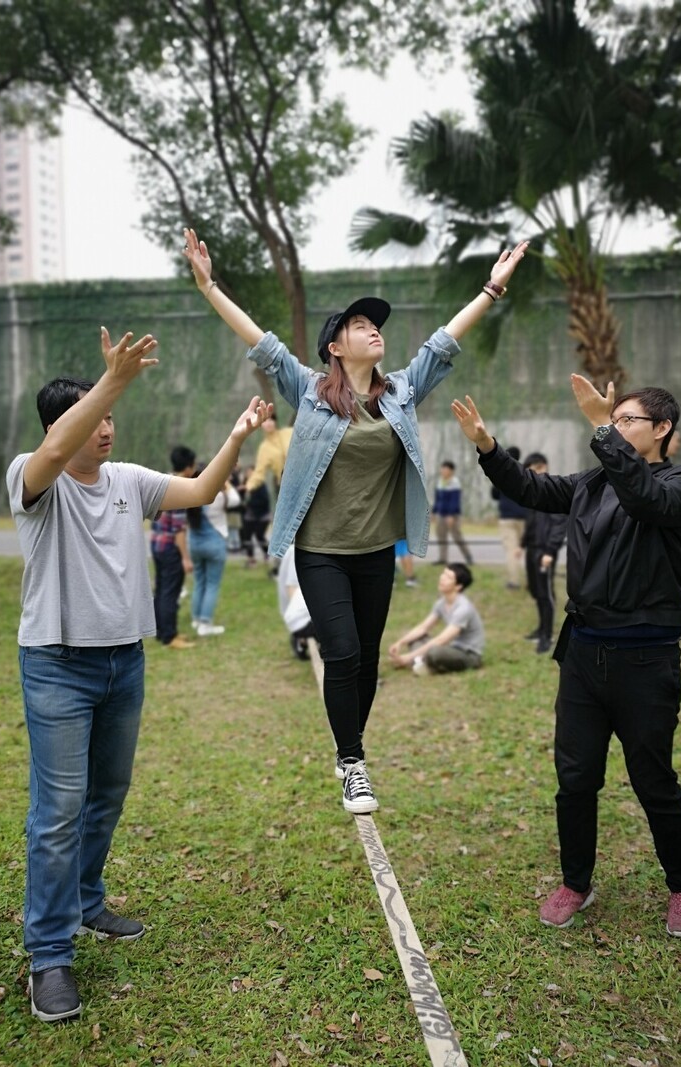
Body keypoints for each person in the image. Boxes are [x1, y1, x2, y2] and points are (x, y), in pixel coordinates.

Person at [183, 226, 528, 814]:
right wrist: (210, 286)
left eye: (378, 324)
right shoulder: (310, 390)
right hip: (320, 550)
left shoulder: (399, 393)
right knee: (340, 651)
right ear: (336, 347)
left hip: (376, 552)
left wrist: (491, 290)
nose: (375, 329)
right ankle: (351, 763)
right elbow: (259, 341)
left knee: (366, 659)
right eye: (360, 325)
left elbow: (444, 342)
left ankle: (353, 749)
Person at [6, 327, 271, 1023]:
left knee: (107, 795)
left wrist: (238, 436)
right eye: (96, 415)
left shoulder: (129, 480)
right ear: (68, 423)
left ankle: (87, 902)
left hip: (125, 660)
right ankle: (49, 953)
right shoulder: (31, 478)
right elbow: (56, 451)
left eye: (112, 416)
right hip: (57, 665)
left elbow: (203, 488)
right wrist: (113, 382)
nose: (107, 428)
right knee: (57, 811)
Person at [451, 377, 681, 938]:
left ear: (662, 429)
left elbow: (645, 498)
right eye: (614, 422)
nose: (615, 430)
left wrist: (598, 426)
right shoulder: (594, 482)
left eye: (626, 421)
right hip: (585, 655)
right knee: (575, 778)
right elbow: (536, 490)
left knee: (653, 780)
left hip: (646, 661)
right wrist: (489, 448)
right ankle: (576, 881)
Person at [388, 563, 484, 675]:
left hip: (468, 654)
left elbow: (442, 640)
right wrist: (400, 642)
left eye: (448, 577)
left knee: (434, 652)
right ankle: (421, 663)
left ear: (458, 586)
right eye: (443, 574)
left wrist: (408, 657)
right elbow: (423, 628)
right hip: (451, 648)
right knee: (415, 638)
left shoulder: (463, 608)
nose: (442, 578)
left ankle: (420, 663)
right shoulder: (442, 603)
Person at [520, 452, 568, 655]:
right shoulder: (536, 492)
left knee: (546, 593)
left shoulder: (554, 491)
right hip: (532, 549)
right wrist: (522, 544)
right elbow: (532, 521)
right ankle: (540, 629)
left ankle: (547, 637)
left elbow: (559, 524)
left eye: (532, 470)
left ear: (542, 467)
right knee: (536, 591)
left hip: (545, 551)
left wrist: (550, 550)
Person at [150, 444, 196, 650]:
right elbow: (179, 530)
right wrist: (185, 558)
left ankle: (161, 631)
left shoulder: (162, 481)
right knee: (171, 591)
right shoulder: (180, 487)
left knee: (161, 589)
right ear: (188, 467)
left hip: (156, 543)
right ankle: (170, 636)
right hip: (170, 547)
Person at [187, 466, 240, 635]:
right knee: (212, 584)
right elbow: (236, 500)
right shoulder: (216, 496)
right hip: (214, 544)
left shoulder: (191, 496)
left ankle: (196, 619)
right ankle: (205, 623)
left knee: (199, 581)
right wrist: (226, 482)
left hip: (195, 544)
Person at [492, 445, 527, 589]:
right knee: (526, 550)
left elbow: (494, 494)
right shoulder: (526, 471)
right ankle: (532, 581)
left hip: (507, 518)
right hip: (525, 517)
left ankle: (514, 582)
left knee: (512, 551)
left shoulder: (501, 471)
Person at [432, 459, 473, 565]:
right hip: (441, 514)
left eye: (445, 469)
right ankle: (442, 558)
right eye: (442, 469)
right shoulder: (440, 482)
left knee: (456, 536)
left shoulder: (455, 483)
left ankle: (468, 556)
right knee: (441, 537)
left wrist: (451, 515)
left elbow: (454, 501)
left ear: (451, 471)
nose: (443, 471)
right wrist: (434, 511)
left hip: (452, 516)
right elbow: (437, 499)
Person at [244, 416, 293, 496]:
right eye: (265, 421)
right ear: (260, 425)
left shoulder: (289, 432)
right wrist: (248, 486)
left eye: (271, 420)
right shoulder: (264, 448)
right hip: (285, 486)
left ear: (275, 421)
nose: (268, 423)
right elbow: (259, 472)